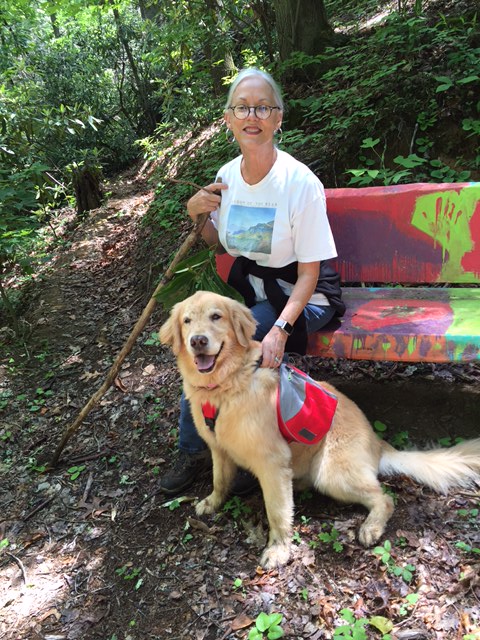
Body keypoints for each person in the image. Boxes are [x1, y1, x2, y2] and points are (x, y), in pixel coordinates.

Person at [159, 67, 345, 495]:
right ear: (228, 119)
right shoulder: (229, 176)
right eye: (242, 107)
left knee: (233, 346)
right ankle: (201, 448)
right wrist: (197, 214)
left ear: (278, 118)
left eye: (263, 107)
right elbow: (218, 244)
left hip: (306, 297)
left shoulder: (300, 184)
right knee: (200, 346)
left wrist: (280, 328)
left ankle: (237, 450)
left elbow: (310, 272)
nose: (252, 115)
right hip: (259, 294)